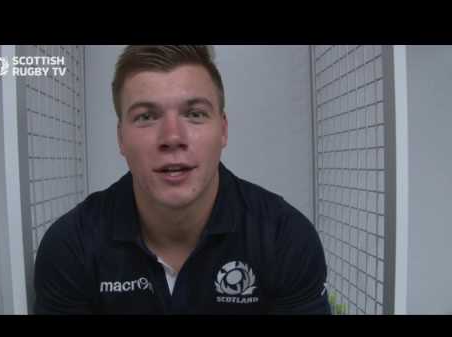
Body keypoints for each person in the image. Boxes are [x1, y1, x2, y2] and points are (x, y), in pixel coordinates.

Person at [34, 45, 331, 314]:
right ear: (121, 137)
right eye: (146, 117)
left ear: (223, 130)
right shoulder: (71, 246)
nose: (172, 137)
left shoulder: (285, 238)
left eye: (195, 114)